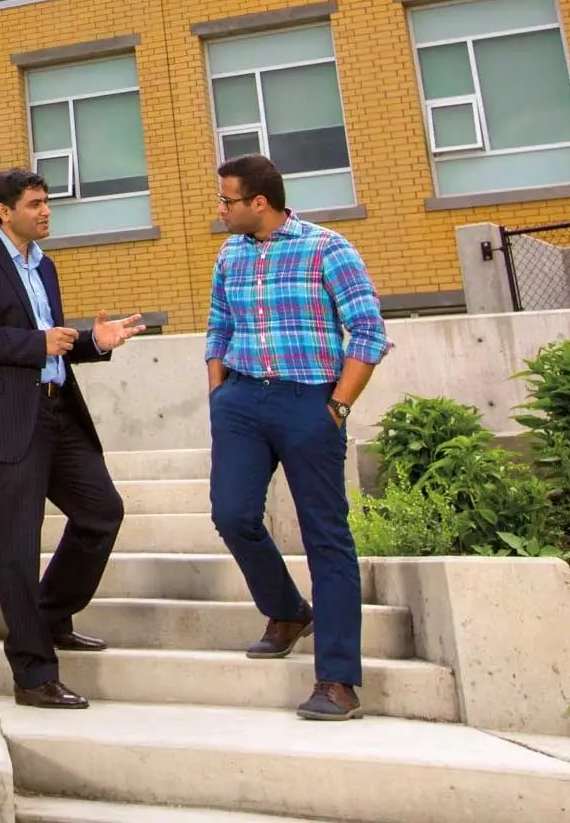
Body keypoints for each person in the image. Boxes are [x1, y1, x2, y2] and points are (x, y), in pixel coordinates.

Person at [0, 167, 148, 709]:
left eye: (46, 202)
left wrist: (92, 342)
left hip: (59, 414)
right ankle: (33, 674)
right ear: (4, 211)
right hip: (8, 421)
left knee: (102, 512)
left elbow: (52, 343)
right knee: (17, 544)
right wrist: (38, 343)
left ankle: (52, 616)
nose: (45, 211)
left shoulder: (45, 266)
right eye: (34, 204)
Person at [204, 153, 391, 722]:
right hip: (241, 401)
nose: (221, 209)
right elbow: (219, 326)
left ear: (259, 202)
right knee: (231, 514)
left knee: (325, 536)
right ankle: (286, 611)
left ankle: (337, 681)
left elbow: (368, 330)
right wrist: (219, 395)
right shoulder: (230, 252)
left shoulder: (327, 248)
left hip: (309, 402)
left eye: (227, 200)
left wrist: (337, 405)